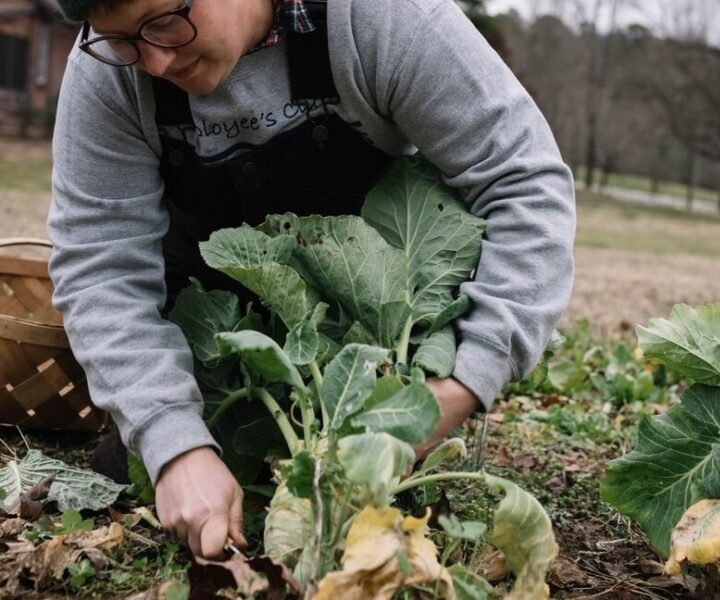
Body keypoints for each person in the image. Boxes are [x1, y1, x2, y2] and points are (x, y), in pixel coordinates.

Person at [49, 0, 576, 560]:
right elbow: (101, 267)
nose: (154, 62)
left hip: (369, 336)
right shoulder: (107, 74)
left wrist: (462, 383)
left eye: (163, 22)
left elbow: (525, 185)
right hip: (213, 341)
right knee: (131, 469)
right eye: (123, 40)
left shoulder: (383, 19)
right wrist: (174, 443)